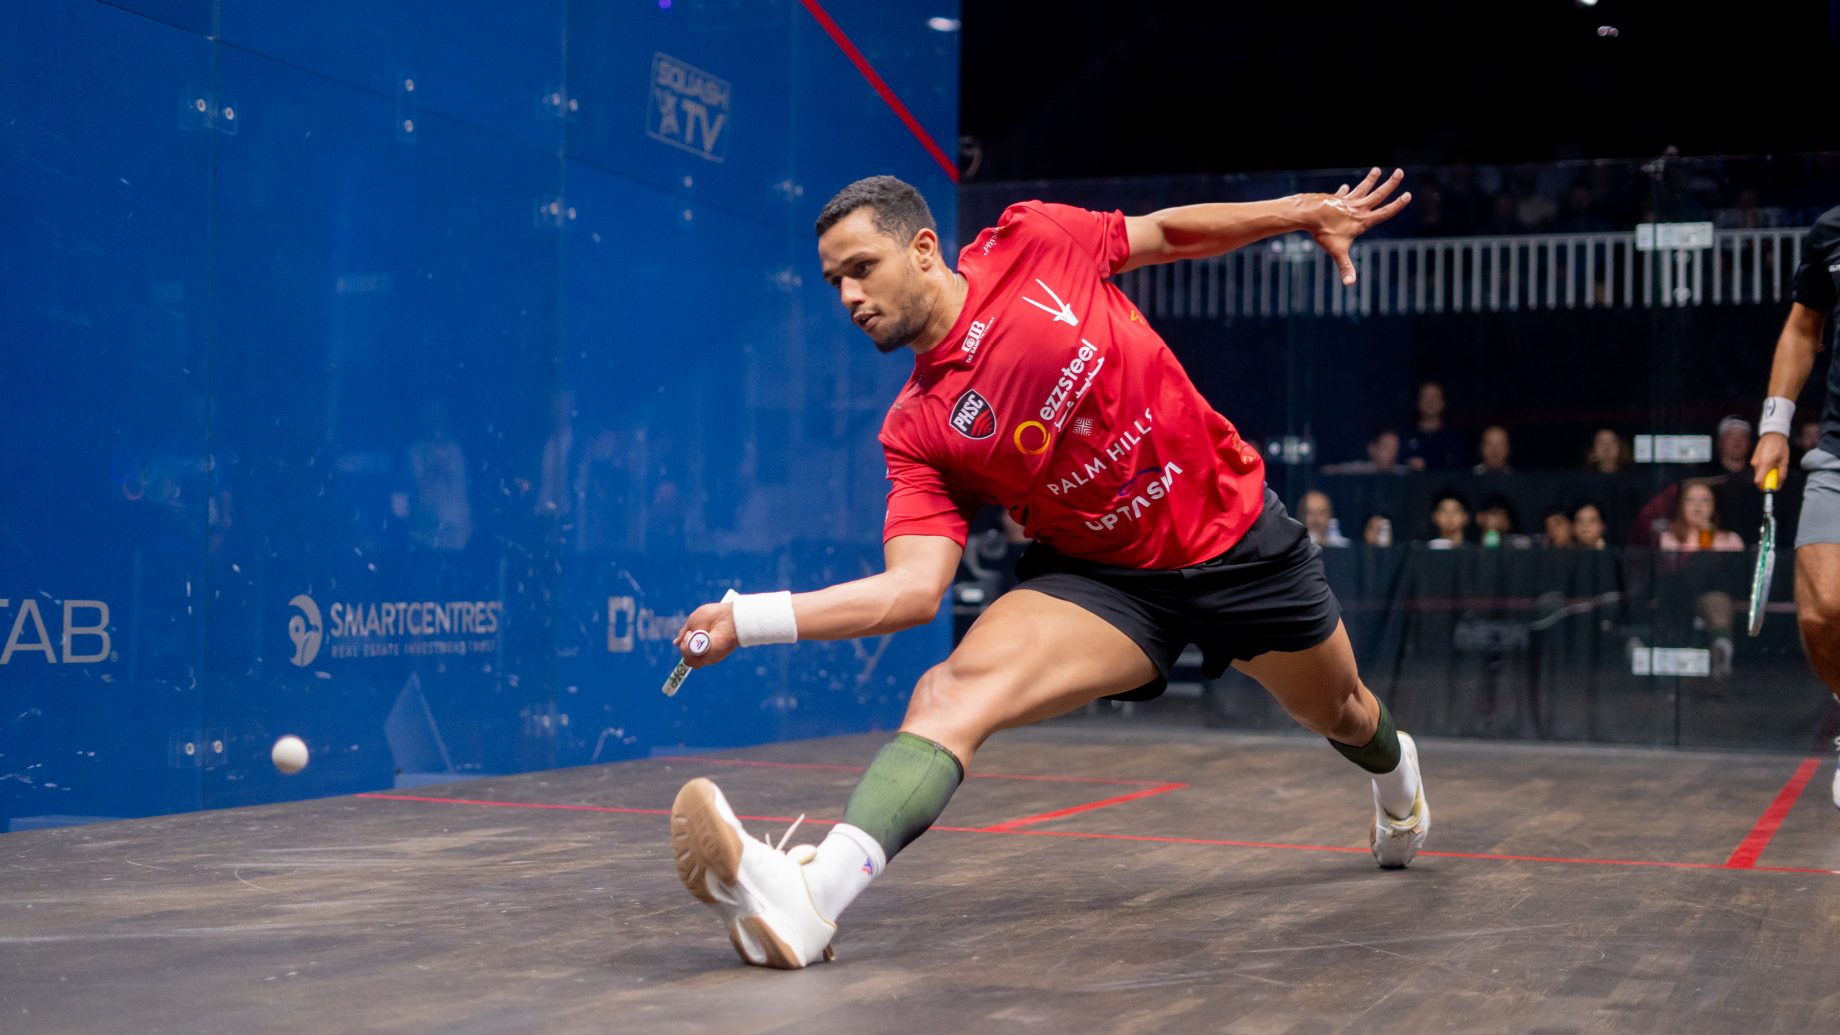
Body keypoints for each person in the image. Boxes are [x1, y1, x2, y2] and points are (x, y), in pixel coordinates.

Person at [666, 171, 1426, 969]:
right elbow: (912, 590)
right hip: (1106, 582)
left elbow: (1167, 232)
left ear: (923, 249)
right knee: (949, 694)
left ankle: (1399, 782)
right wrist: (747, 619)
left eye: (862, 268)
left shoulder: (1036, 239)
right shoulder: (917, 430)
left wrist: (1299, 211)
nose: (850, 296)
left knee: (1342, 712)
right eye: (835, 282)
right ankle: (811, 901)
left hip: (1236, 539)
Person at [1748, 203, 1840, 800]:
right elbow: (1804, 327)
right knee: (1822, 611)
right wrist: (1775, 426)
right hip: (1838, 450)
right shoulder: (1831, 231)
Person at [1402, 381, 1463, 471]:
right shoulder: (1405, 434)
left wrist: (1428, 465)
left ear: (1443, 402)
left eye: (1435, 396)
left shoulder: (1455, 437)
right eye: (1425, 396)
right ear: (1418, 401)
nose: (1430, 401)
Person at [1322, 426, 1409, 475]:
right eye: (1386, 447)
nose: (1391, 453)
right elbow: (1335, 470)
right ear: (1372, 448)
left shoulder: (1404, 473)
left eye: (1395, 448)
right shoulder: (1361, 471)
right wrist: (1333, 470)